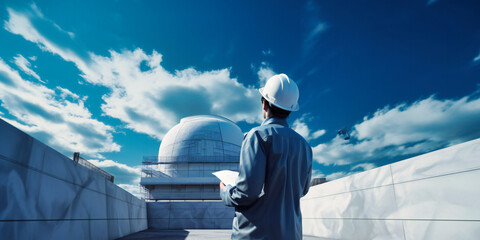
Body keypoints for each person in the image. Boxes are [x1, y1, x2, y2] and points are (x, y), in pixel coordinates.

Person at [220, 73, 313, 240]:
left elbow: (246, 194)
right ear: (290, 110)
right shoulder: (305, 146)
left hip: (256, 234)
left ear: (265, 104)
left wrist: (225, 191)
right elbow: (303, 190)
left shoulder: (257, 136)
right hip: (291, 234)